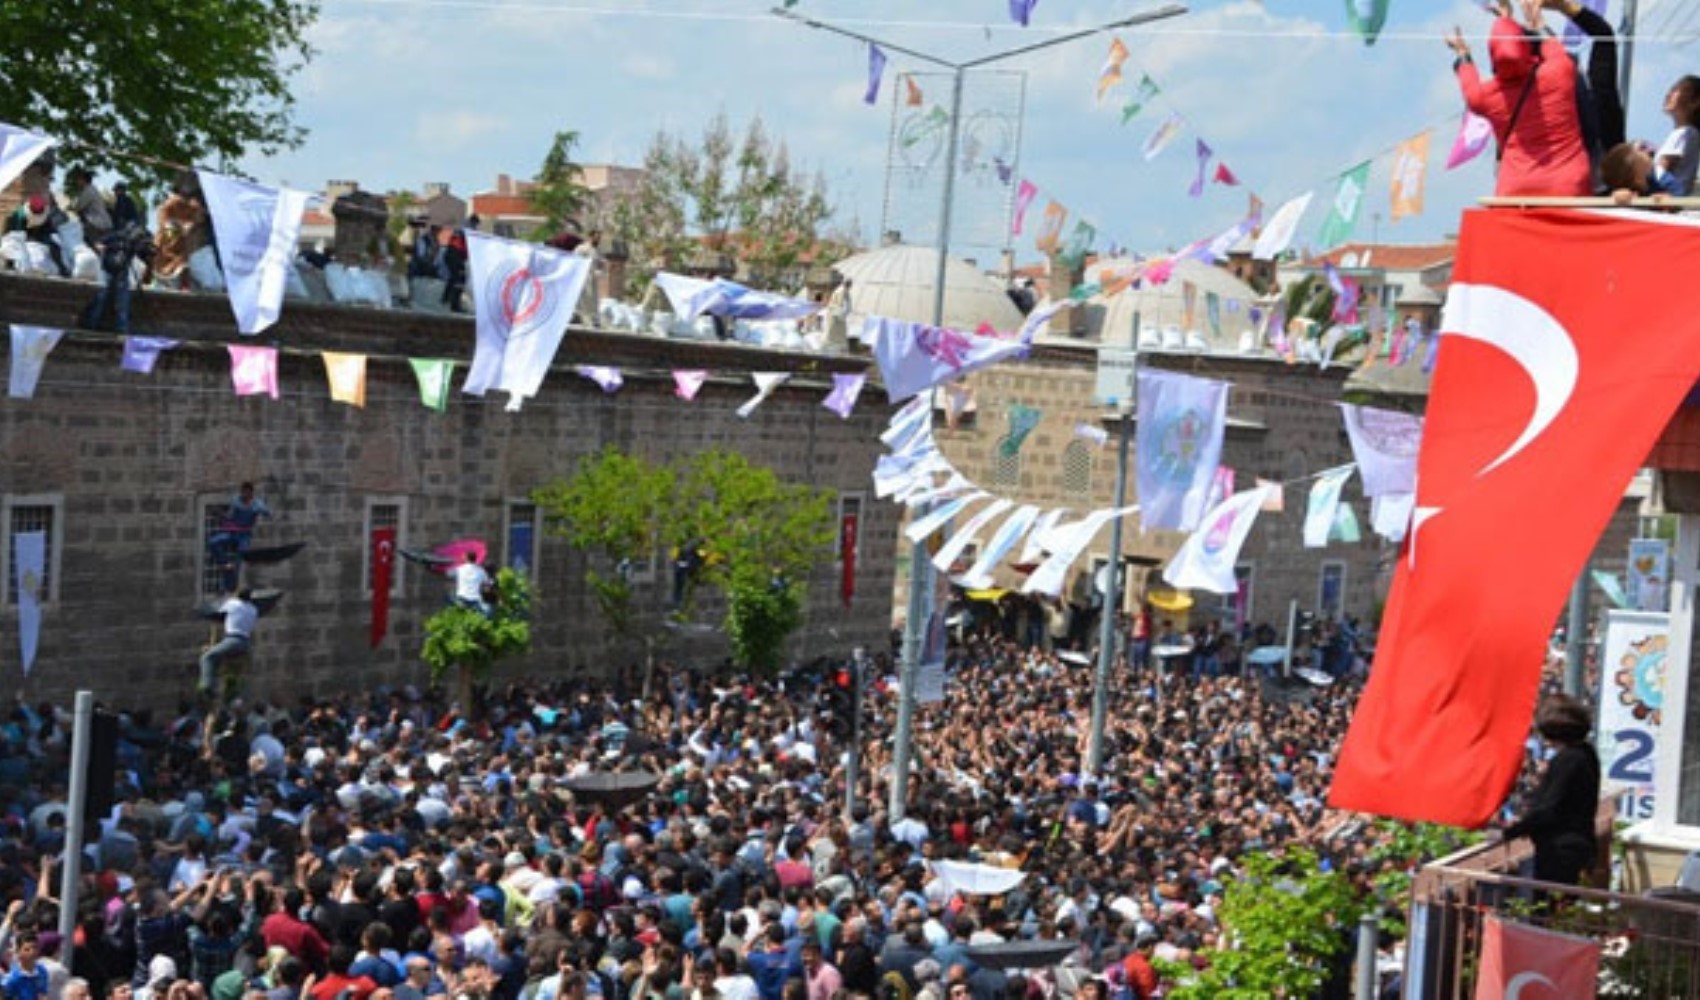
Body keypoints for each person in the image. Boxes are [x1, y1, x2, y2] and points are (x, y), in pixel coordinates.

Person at [1446, 0, 1591, 197]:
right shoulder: (1558, 72)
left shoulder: (1483, 97)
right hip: (1567, 185)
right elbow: (1548, 42)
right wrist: (1537, 21)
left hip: (1515, 190)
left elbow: (1470, 74)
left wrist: (1462, 51)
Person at [1501, 693, 1601, 886]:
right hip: (1579, 845)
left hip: (1560, 852)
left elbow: (1549, 808)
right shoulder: (1587, 753)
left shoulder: (1567, 760)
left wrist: (1513, 830)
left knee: (1551, 907)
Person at [81, 222, 157, 335]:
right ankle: (90, 326)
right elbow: (97, 244)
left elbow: (145, 253)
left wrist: (149, 252)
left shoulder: (134, 242)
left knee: (122, 303)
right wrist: (107, 248)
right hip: (106, 269)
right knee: (101, 298)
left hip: (122, 272)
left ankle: (122, 330)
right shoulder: (115, 236)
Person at [209, 483, 272, 590]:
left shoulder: (257, 504)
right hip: (232, 531)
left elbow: (267, 513)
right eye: (243, 492)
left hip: (244, 535)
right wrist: (220, 514)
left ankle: (232, 584)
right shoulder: (236, 500)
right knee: (213, 542)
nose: (244, 495)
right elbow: (230, 516)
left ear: (251, 493)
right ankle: (225, 563)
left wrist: (265, 513)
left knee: (241, 556)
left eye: (246, 493)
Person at [199, 589, 258, 698]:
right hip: (246, 643)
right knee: (227, 663)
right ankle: (230, 693)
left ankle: (208, 687)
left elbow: (216, 611)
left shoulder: (232, 604)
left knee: (207, 657)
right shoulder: (253, 609)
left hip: (233, 640)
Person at [5, 194, 72, 277]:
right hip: (23, 237)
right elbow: (14, 241)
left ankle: (61, 268)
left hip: (39, 237)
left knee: (54, 246)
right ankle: (10, 266)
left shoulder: (46, 216)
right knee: (14, 247)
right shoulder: (18, 217)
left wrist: (61, 266)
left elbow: (52, 237)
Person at [68, 167, 114, 246]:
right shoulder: (92, 189)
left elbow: (79, 207)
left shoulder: (87, 191)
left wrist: (70, 208)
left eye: (78, 179)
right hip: (103, 223)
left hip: (96, 224)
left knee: (97, 245)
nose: (77, 182)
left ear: (83, 180)